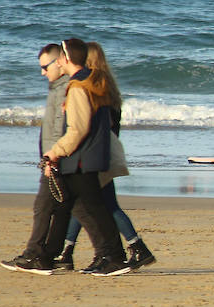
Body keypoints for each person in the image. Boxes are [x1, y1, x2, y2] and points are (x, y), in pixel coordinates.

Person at [56, 42, 156, 272]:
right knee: (88, 203)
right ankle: (70, 252)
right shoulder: (105, 85)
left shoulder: (92, 87)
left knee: (99, 204)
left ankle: (136, 247)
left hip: (95, 153)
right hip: (103, 152)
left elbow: (93, 125)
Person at [40, 38, 133, 276]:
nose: (57, 61)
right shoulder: (92, 82)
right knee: (72, 207)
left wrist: (55, 151)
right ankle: (50, 256)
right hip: (87, 157)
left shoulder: (80, 86)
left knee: (95, 209)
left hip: (81, 158)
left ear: (67, 59)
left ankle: (115, 256)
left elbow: (78, 129)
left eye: (60, 56)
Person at [0, 44, 74, 275]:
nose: (42, 72)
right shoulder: (58, 87)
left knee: (43, 207)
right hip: (56, 157)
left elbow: (62, 128)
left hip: (57, 158)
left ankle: (35, 255)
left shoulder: (65, 89)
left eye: (45, 67)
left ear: (59, 62)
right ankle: (49, 256)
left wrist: (52, 158)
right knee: (61, 209)